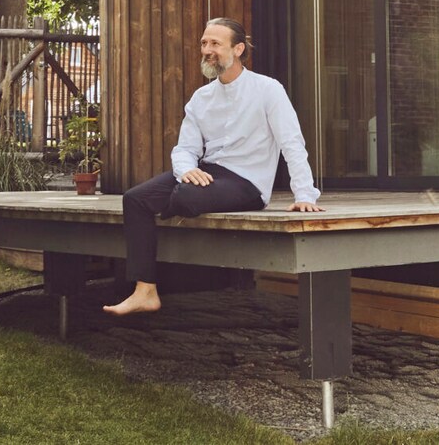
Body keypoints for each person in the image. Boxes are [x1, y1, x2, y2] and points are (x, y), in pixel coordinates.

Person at [102, 17, 322, 315]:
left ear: (238, 49)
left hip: (247, 183)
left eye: (215, 43)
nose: (207, 49)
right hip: (207, 173)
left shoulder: (268, 90)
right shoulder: (201, 97)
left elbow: (292, 143)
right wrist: (185, 170)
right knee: (136, 199)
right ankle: (145, 291)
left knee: (185, 196)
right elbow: (185, 148)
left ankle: (176, 200)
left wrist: (305, 196)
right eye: (204, 43)